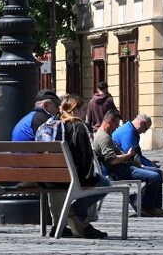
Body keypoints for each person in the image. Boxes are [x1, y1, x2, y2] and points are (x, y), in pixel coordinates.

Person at [57, 95, 109, 238]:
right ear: (75, 109)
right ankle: (74, 211)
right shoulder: (78, 125)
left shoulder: (57, 123)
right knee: (104, 183)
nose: (85, 112)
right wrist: (89, 178)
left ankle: (76, 221)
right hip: (73, 175)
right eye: (83, 109)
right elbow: (85, 156)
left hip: (53, 176)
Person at [110, 113, 163, 217]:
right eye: (146, 128)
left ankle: (154, 207)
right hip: (121, 168)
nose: (145, 132)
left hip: (127, 165)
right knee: (156, 176)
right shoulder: (128, 133)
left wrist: (150, 164)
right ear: (141, 124)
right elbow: (132, 156)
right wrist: (149, 165)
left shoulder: (132, 131)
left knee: (158, 173)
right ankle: (146, 206)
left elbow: (137, 155)